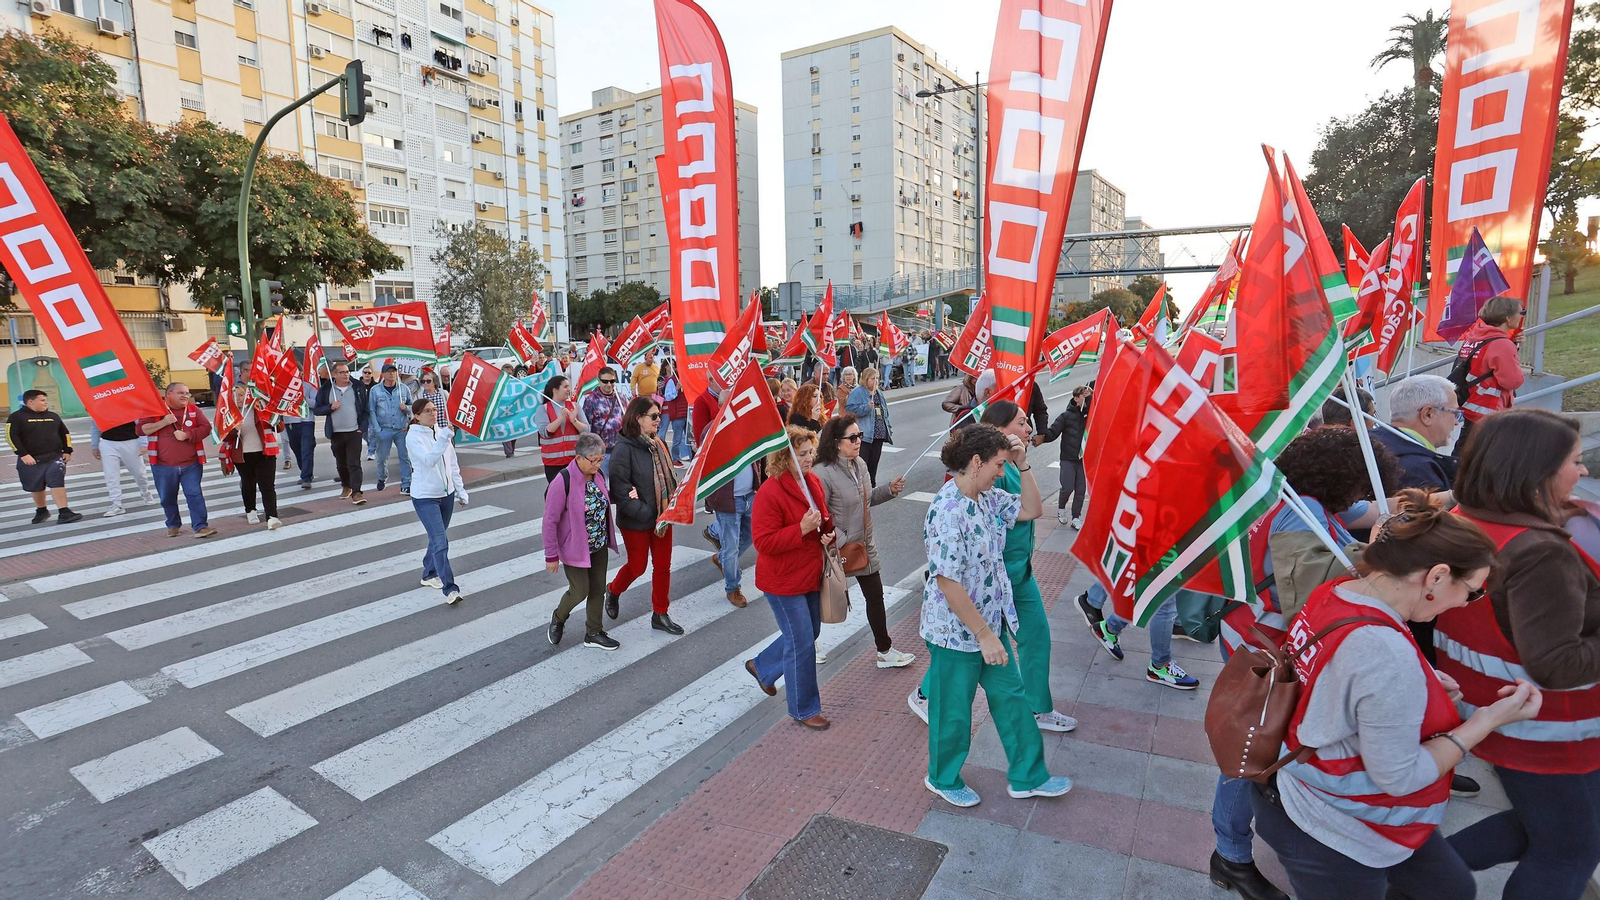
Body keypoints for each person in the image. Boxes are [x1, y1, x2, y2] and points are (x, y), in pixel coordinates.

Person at [1251, 489, 1540, 900]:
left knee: (1451, 888)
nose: (1465, 604)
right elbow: (1401, 778)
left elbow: (1340, 676)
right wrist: (1487, 721)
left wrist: (1417, 683)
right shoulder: (1386, 654)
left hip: (1302, 788)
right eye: (1472, 591)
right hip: (1340, 827)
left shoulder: (1336, 591)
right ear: (1437, 576)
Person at [1208, 426, 1397, 898]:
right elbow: (1314, 598)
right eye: (1359, 485)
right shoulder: (1301, 511)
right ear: (1339, 478)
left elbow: (1361, 517)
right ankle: (1230, 856)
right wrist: (1378, 558)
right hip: (1266, 652)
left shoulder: (1293, 494)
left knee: (1258, 750)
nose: (1361, 496)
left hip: (1258, 640)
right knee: (1250, 753)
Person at [1441, 409, 1600, 899]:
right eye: (1574, 461)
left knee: (1551, 827)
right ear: (1538, 473)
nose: (1584, 472)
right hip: (1553, 729)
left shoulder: (1464, 519)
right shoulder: (1541, 552)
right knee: (1569, 851)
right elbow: (1556, 663)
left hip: (1498, 716)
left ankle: (1414, 875)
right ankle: (1411, 878)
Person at [916, 424, 1074, 807]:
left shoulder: (986, 497)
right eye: (998, 465)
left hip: (989, 624)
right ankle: (942, 777)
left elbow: (1033, 510)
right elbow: (948, 583)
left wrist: (1024, 464)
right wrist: (985, 635)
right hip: (957, 632)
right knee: (953, 711)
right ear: (976, 462)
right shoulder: (949, 509)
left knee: (1012, 697)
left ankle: (1029, 775)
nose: (1001, 473)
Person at [746, 425, 835, 729]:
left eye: (811, 452)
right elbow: (763, 542)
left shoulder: (812, 481)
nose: (810, 458)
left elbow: (824, 519)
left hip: (808, 574)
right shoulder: (770, 492)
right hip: (782, 580)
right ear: (786, 458)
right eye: (802, 454)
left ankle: (763, 666)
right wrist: (800, 530)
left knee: (809, 633)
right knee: (802, 642)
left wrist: (827, 533)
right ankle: (803, 709)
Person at [816, 414, 913, 668]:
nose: (859, 441)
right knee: (820, 597)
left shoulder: (859, 464)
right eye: (852, 437)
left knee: (875, 596)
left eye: (859, 435)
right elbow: (819, 515)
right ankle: (810, 642)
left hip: (864, 547)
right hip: (836, 548)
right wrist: (843, 538)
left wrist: (888, 490)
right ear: (836, 442)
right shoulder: (822, 473)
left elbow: (866, 500)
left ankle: (885, 650)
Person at [605, 396, 683, 635]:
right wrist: (649, 511)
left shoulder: (659, 444)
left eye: (659, 415)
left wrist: (668, 507)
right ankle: (614, 590)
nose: (659, 420)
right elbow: (621, 492)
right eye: (654, 416)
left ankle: (660, 613)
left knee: (662, 567)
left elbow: (670, 480)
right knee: (637, 567)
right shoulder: (623, 449)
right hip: (636, 521)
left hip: (662, 518)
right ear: (638, 418)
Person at [544, 433, 619, 650]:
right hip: (574, 548)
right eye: (593, 460)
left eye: (600, 459)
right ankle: (559, 617)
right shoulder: (563, 481)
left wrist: (623, 495)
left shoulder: (597, 475)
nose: (597, 464)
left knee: (598, 590)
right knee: (580, 590)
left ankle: (593, 632)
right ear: (579, 458)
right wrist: (551, 556)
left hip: (598, 545)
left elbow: (602, 497)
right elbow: (550, 521)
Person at [696, 382, 761, 608]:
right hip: (727, 499)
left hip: (749, 495)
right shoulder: (712, 430)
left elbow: (758, 455)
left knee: (750, 536)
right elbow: (702, 463)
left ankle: (723, 559)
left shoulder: (747, 427)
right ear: (721, 405)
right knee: (732, 545)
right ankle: (733, 587)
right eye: (729, 404)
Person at [406, 396, 468, 605]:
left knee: (436, 538)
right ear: (416, 416)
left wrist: (460, 489)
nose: (433, 414)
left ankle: (428, 572)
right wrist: (444, 438)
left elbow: (452, 464)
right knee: (441, 541)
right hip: (425, 497)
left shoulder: (442, 432)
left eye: (434, 410)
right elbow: (429, 460)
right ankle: (450, 589)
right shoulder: (413, 437)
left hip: (447, 495)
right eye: (427, 411)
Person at [139, 383, 216, 538]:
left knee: (194, 494)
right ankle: (173, 524)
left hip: (191, 464)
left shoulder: (193, 410)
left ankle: (200, 526)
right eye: (180, 393)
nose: (185, 396)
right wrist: (164, 422)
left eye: (187, 393)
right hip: (163, 465)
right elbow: (141, 429)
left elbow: (206, 428)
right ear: (169, 394)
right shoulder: (155, 410)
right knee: (167, 497)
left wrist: (188, 435)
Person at [1455, 294, 1527, 447]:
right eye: (1521, 312)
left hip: (1471, 405)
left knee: (1464, 453)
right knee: (1482, 459)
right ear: (1508, 318)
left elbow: (1484, 364)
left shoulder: (1474, 337)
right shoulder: (1501, 344)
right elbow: (1512, 381)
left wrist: (1512, 345)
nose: (1522, 316)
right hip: (1489, 412)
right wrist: (1511, 349)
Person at [1373, 374, 1461, 494]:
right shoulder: (1420, 472)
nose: (1457, 422)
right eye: (1455, 413)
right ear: (1428, 414)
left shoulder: (1365, 443)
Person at [7, 390, 82, 524]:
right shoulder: (16, 417)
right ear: (31, 402)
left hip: (54, 457)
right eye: (42, 400)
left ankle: (64, 511)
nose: (46, 403)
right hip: (31, 459)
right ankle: (42, 510)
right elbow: (11, 436)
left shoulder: (53, 416)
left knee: (57, 482)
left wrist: (67, 450)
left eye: (45, 400)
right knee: (36, 486)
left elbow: (65, 434)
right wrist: (23, 454)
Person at [219, 384, 283, 530]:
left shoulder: (259, 409)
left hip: (265, 452)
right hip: (242, 455)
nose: (238, 399)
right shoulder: (229, 414)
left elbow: (279, 427)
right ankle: (251, 510)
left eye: (241, 395)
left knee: (267, 486)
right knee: (248, 484)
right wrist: (235, 430)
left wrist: (272, 415)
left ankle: (272, 517)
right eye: (234, 396)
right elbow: (224, 436)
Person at [313, 361, 371, 505]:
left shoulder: (357, 386)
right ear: (334, 374)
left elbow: (365, 409)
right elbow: (317, 409)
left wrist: (361, 428)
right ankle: (347, 485)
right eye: (342, 372)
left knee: (354, 462)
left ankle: (357, 493)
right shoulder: (327, 388)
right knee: (341, 463)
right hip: (336, 433)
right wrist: (330, 407)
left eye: (347, 372)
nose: (346, 375)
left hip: (354, 431)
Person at [1036, 385, 1091, 526]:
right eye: (1085, 397)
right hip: (1068, 458)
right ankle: (1061, 508)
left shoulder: (1091, 417)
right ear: (1076, 398)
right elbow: (1053, 432)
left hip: (1083, 459)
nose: (1088, 400)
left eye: (1090, 397)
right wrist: (1042, 436)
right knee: (1067, 487)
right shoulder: (1066, 416)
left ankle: (1076, 517)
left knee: (1080, 490)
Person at [89, 417, 154, 517]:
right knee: (110, 474)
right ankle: (116, 503)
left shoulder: (127, 403)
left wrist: (144, 443)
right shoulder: (98, 405)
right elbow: (95, 426)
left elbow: (139, 424)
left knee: (139, 473)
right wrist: (94, 446)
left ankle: (145, 492)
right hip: (107, 443)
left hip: (131, 441)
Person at [535, 374, 591, 482]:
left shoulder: (575, 406)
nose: (569, 389)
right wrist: (561, 417)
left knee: (575, 492)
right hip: (553, 462)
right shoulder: (543, 409)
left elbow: (586, 430)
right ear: (555, 390)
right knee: (558, 492)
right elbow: (545, 432)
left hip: (575, 460)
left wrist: (574, 420)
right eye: (565, 387)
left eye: (569, 386)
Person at [368, 364, 413, 494]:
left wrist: (406, 409)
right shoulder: (375, 390)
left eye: (394, 371)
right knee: (382, 458)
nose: (391, 374)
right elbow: (372, 410)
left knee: (404, 457)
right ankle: (382, 477)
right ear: (383, 374)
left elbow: (412, 406)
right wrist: (377, 430)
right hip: (384, 429)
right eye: (388, 372)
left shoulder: (403, 389)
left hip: (401, 429)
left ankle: (406, 483)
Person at [845, 367, 893, 486]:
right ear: (866, 379)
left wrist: (888, 428)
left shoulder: (879, 393)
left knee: (873, 463)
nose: (875, 381)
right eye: (872, 378)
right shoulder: (858, 392)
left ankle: (872, 485)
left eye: (877, 378)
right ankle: (861, 487)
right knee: (862, 464)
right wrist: (866, 408)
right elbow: (850, 410)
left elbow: (884, 412)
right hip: (865, 435)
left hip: (878, 434)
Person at [581, 366, 626, 469]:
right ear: (599, 380)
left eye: (612, 381)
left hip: (620, 450)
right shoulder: (591, 400)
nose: (609, 384)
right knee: (603, 483)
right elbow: (587, 428)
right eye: (605, 381)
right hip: (601, 453)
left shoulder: (621, 398)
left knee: (620, 483)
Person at [656, 359, 691, 462]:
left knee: (689, 439)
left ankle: (690, 457)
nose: (675, 367)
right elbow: (668, 396)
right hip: (675, 412)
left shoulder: (686, 379)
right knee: (677, 438)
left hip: (686, 412)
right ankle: (675, 458)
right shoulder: (671, 380)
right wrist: (676, 388)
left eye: (675, 365)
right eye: (673, 365)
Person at [281, 405, 316, 490]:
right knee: (296, 448)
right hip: (289, 421)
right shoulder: (284, 390)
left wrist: (304, 399)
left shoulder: (309, 390)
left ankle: (306, 477)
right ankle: (306, 471)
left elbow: (315, 403)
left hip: (306, 421)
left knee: (306, 448)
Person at [358, 365, 378, 460]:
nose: (367, 374)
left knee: (372, 432)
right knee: (363, 432)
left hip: (372, 412)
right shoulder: (357, 385)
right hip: (361, 412)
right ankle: (371, 444)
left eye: (369, 373)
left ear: (371, 374)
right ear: (362, 374)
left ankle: (371, 451)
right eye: (365, 372)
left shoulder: (376, 386)